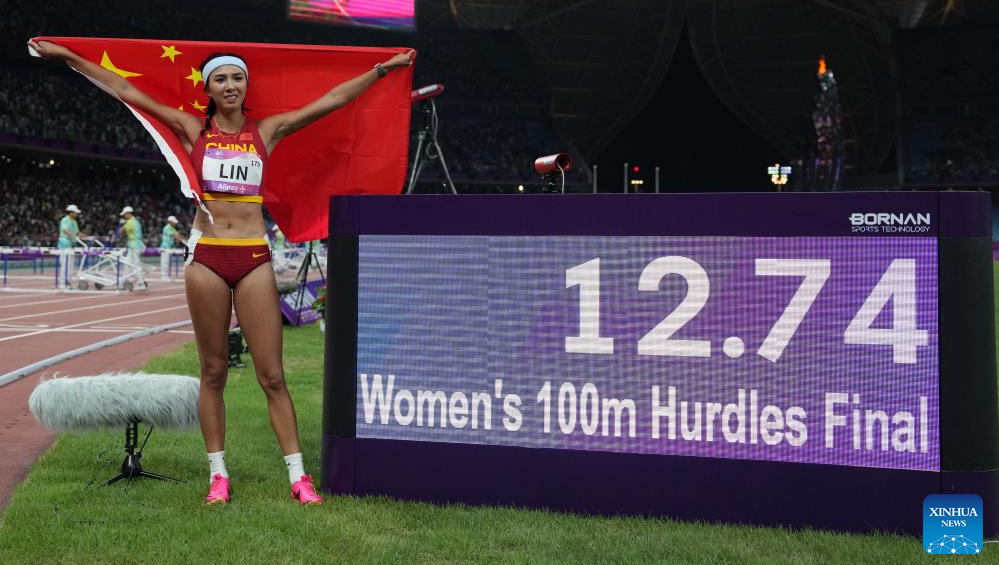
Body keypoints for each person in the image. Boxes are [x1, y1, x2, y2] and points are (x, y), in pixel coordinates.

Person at [30, 39, 414, 505]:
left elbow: (330, 101)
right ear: (209, 88)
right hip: (207, 256)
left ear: (245, 84)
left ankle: (298, 476)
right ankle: (219, 475)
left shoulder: (267, 131)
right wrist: (69, 57)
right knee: (213, 372)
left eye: (237, 78)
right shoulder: (193, 129)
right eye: (221, 79)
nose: (230, 85)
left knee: (272, 375)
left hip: (253, 255)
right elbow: (126, 90)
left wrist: (380, 70)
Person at [117, 205, 147, 290]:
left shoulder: (130, 222)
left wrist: (121, 224)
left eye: (124, 214)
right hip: (135, 245)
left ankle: (141, 283)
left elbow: (120, 231)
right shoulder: (136, 221)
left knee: (135, 265)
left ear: (128, 213)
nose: (124, 216)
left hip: (134, 246)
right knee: (127, 263)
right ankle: (124, 281)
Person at [159, 215, 187, 280]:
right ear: (170, 222)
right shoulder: (167, 228)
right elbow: (175, 236)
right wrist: (184, 241)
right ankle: (164, 276)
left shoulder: (172, 228)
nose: (175, 223)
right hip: (165, 247)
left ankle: (166, 276)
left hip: (169, 247)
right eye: (174, 222)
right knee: (164, 262)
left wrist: (186, 239)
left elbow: (178, 234)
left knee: (167, 261)